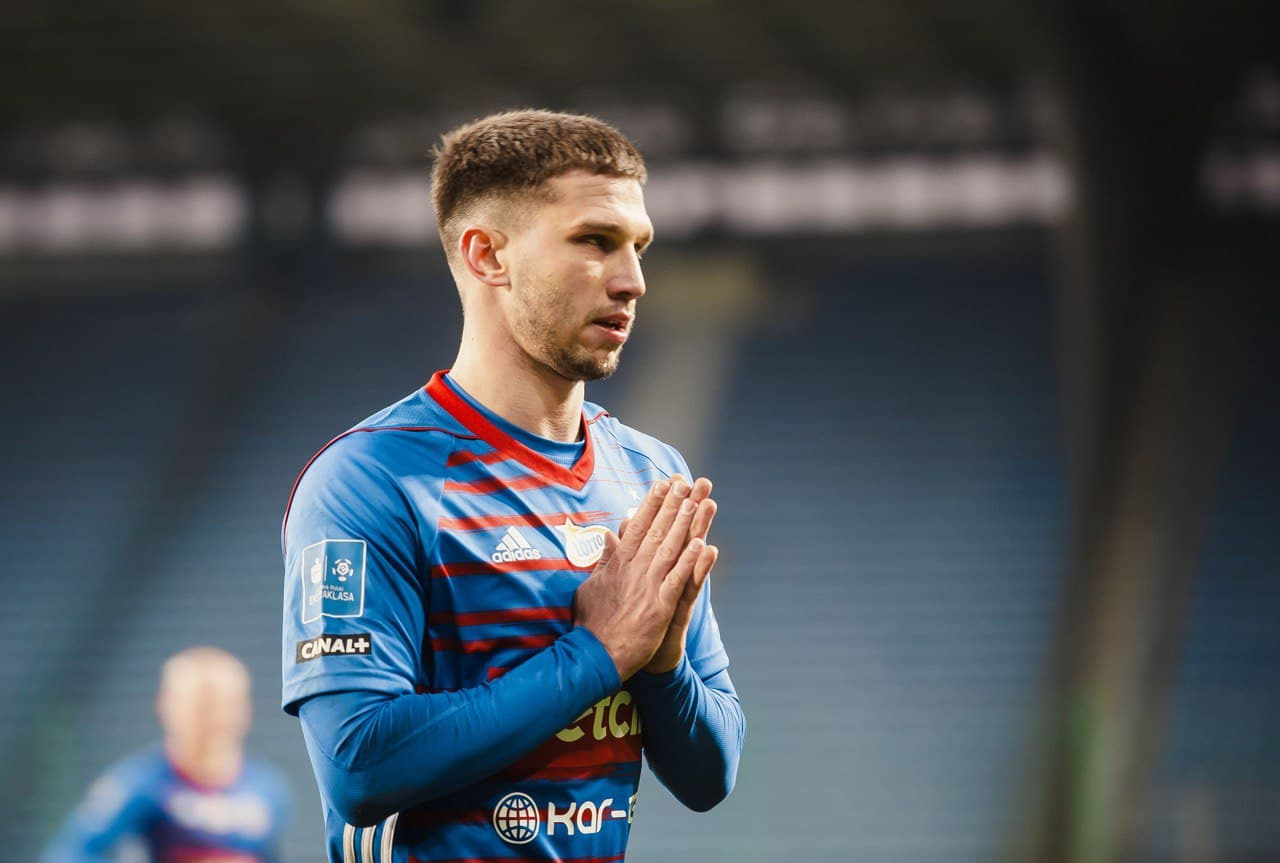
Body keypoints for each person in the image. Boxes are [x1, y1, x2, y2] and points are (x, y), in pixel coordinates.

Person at [281, 109, 745, 862]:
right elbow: (359, 764)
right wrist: (598, 653)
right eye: (594, 241)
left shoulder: (651, 475)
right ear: (488, 254)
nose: (632, 281)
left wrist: (660, 667)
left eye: (638, 247)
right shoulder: (371, 480)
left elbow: (711, 775)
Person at [42, 647, 292, 863]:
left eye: (223, 705)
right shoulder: (137, 782)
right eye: (199, 706)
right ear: (166, 705)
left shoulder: (267, 789)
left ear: (244, 709)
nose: (211, 719)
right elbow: (70, 853)